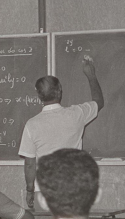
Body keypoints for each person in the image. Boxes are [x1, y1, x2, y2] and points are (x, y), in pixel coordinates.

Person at [19, 56, 104, 209]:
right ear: (59, 91)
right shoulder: (76, 114)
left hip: (43, 191)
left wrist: (29, 190)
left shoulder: (32, 125)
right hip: (73, 188)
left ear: (39, 96)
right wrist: (91, 75)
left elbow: (30, 165)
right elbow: (99, 101)